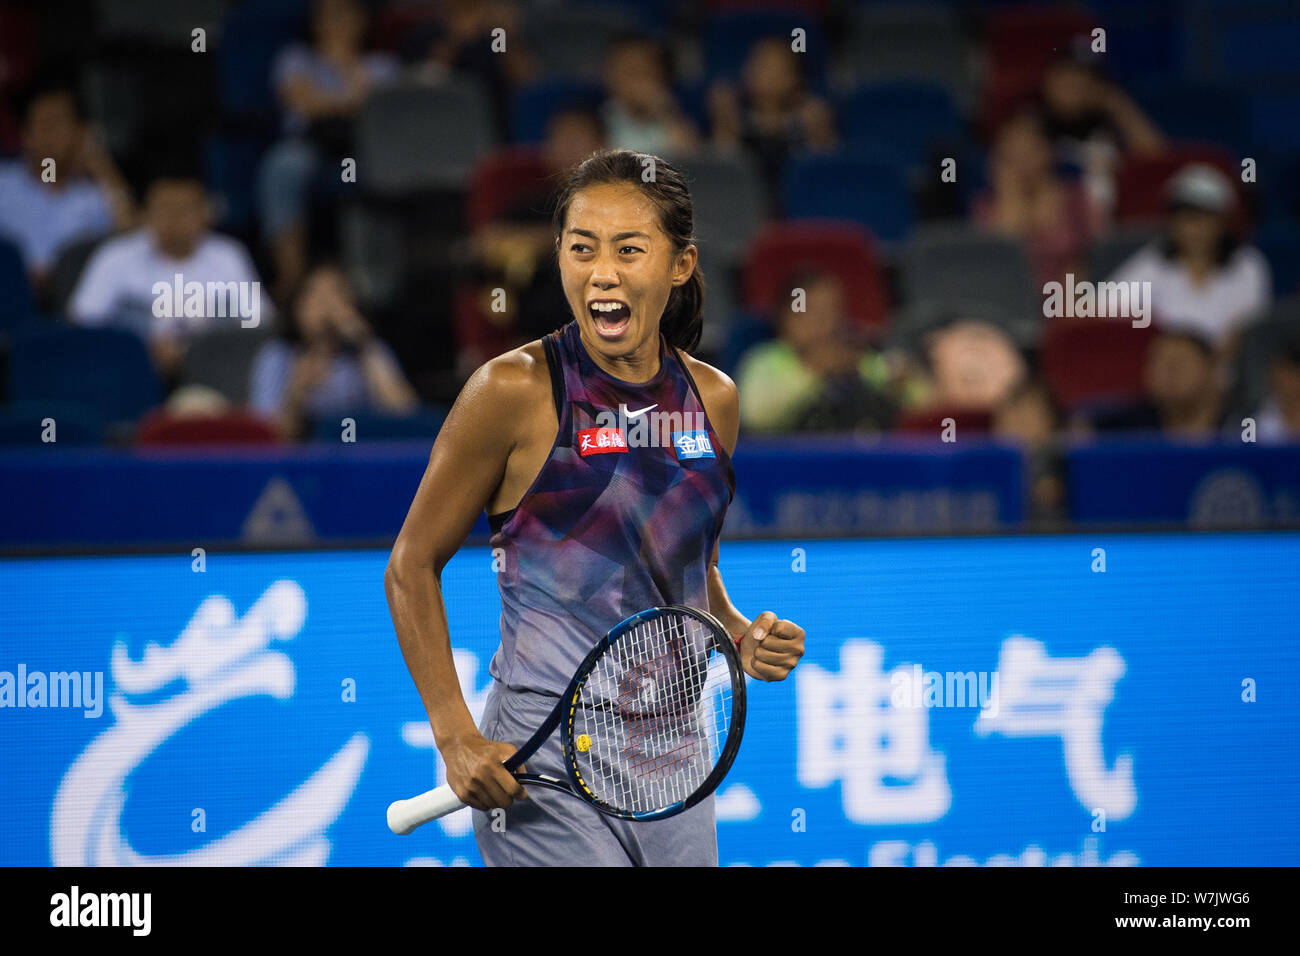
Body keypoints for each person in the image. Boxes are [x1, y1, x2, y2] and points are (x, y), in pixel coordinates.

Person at [384, 148, 805, 866]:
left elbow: (684, 561)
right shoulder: (511, 392)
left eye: (628, 249)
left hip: (676, 761)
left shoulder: (714, 400)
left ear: (680, 265)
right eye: (582, 249)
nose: (601, 272)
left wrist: (733, 631)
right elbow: (411, 565)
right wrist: (455, 735)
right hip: (544, 759)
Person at [68, 163, 266, 385]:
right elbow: (83, 321)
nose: (175, 219)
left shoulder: (230, 255)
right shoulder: (114, 256)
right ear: (145, 212)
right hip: (128, 375)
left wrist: (198, 347)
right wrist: (144, 344)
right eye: (165, 208)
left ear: (205, 212)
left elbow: (259, 322)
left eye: (185, 210)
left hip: (212, 377)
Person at [257, 0, 400, 298]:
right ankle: (291, 280)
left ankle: (376, 281)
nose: (336, 24)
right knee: (283, 167)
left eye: (344, 16)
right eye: (327, 17)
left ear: (361, 21)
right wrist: (353, 100)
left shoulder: (382, 65)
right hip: (310, 146)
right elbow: (303, 103)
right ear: (315, 23)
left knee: (391, 172)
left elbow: (382, 111)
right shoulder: (295, 58)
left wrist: (345, 64)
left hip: (363, 150)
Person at [1108, 163, 1271, 353]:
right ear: (1173, 223)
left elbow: (1250, 331)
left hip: (1227, 372)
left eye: (1205, 218)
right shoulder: (1153, 262)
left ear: (1223, 222)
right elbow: (1104, 308)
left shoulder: (1248, 265)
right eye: (1187, 218)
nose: (1195, 229)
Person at [248, 262, 418, 441]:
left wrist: (363, 342)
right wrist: (297, 392)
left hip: (361, 455)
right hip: (302, 461)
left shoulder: (369, 350)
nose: (327, 305)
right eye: (316, 295)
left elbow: (405, 415)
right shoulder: (277, 355)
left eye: (335, 294)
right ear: (297, 306)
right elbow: (266, 436)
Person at [0, 73, 134, 294]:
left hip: (75, 306)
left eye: (62, 123)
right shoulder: (4, 184)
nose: (54, 136)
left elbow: (130, 241)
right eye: (46, 125)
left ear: (79, 132)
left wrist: (102, 166)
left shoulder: (94, 196)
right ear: (26, 135)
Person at [734, 270, 903, 434]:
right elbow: (755, 416)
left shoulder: (854, 357)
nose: (821, 321)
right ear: (785, 318)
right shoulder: (764, 360)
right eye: (809, 310)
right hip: (789, 458)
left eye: (830, 310)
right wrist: (813, 372)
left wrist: (901, 379)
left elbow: (914, 396)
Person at [708, 36, 837, 216]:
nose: (767, 74)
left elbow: (826, 179)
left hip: (799, 214)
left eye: (777, 67)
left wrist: (819, 132)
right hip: (742, 214)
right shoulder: (733, 119)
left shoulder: (809, 120)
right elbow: (723, 175)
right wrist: (723, 123)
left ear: (795, 76)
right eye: (760, 64)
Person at [972, 110, 1096, 288]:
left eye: (1028, 151)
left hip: (1070, 301)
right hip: (1007, 303)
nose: (1021, 162)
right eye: (1011, 154)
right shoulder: (984, 206)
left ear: (1048, 151)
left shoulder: (1075, 198)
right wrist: (1011, 195)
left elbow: (1095, 257)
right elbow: (1001, 260)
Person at [1079, 330, 1226, 438]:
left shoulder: (1242, 427)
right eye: (1159, 363)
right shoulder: (1122, 429)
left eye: (1179, 363)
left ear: (1212, 370)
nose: (1169, 372)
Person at [599, 35, 698, 156]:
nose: (637, 82)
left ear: (661, 76)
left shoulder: (672, 119)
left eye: (643, 72)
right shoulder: (598, 119)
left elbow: (690, 160)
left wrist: (664, 113)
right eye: (629, 72)